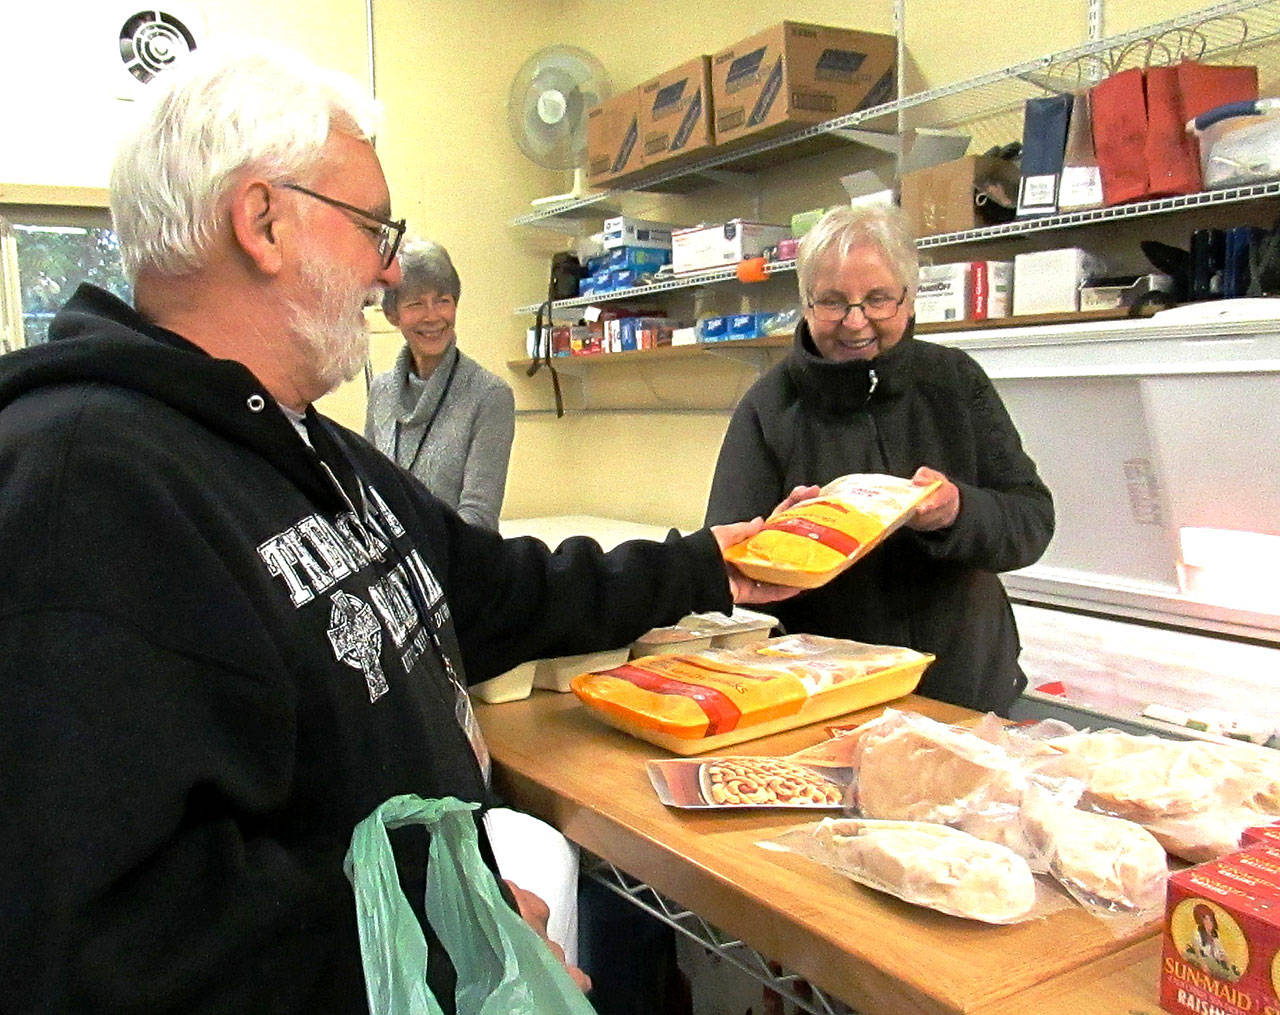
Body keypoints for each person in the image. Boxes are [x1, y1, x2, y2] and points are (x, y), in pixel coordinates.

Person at [0, 43, 797, 1013]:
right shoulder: (80, 485)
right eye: (372, 225)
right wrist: (442, 934)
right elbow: (105, 942)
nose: (386, 269)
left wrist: (708, 564)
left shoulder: (310, 446)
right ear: (263, 220)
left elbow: (497, 591)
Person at [704, 204, 1054, 715]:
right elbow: (726, 562)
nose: (855, 322)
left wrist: (958, 512)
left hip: (967, 686)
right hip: (829, 696)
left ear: (908, 301)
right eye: (832, 302)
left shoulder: (955, 381)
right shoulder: (769, 406)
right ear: (805, 304)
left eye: (877, 300)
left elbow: (1032, 523)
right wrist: (786, 536)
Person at [365, 239, 514, 529]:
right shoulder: (380, 391)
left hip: (456, 566)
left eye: (442, 300)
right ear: (393, 314)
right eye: (416, 303)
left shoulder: (490, 396)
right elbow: (369, 492)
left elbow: (479, 520)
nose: (432, 316)